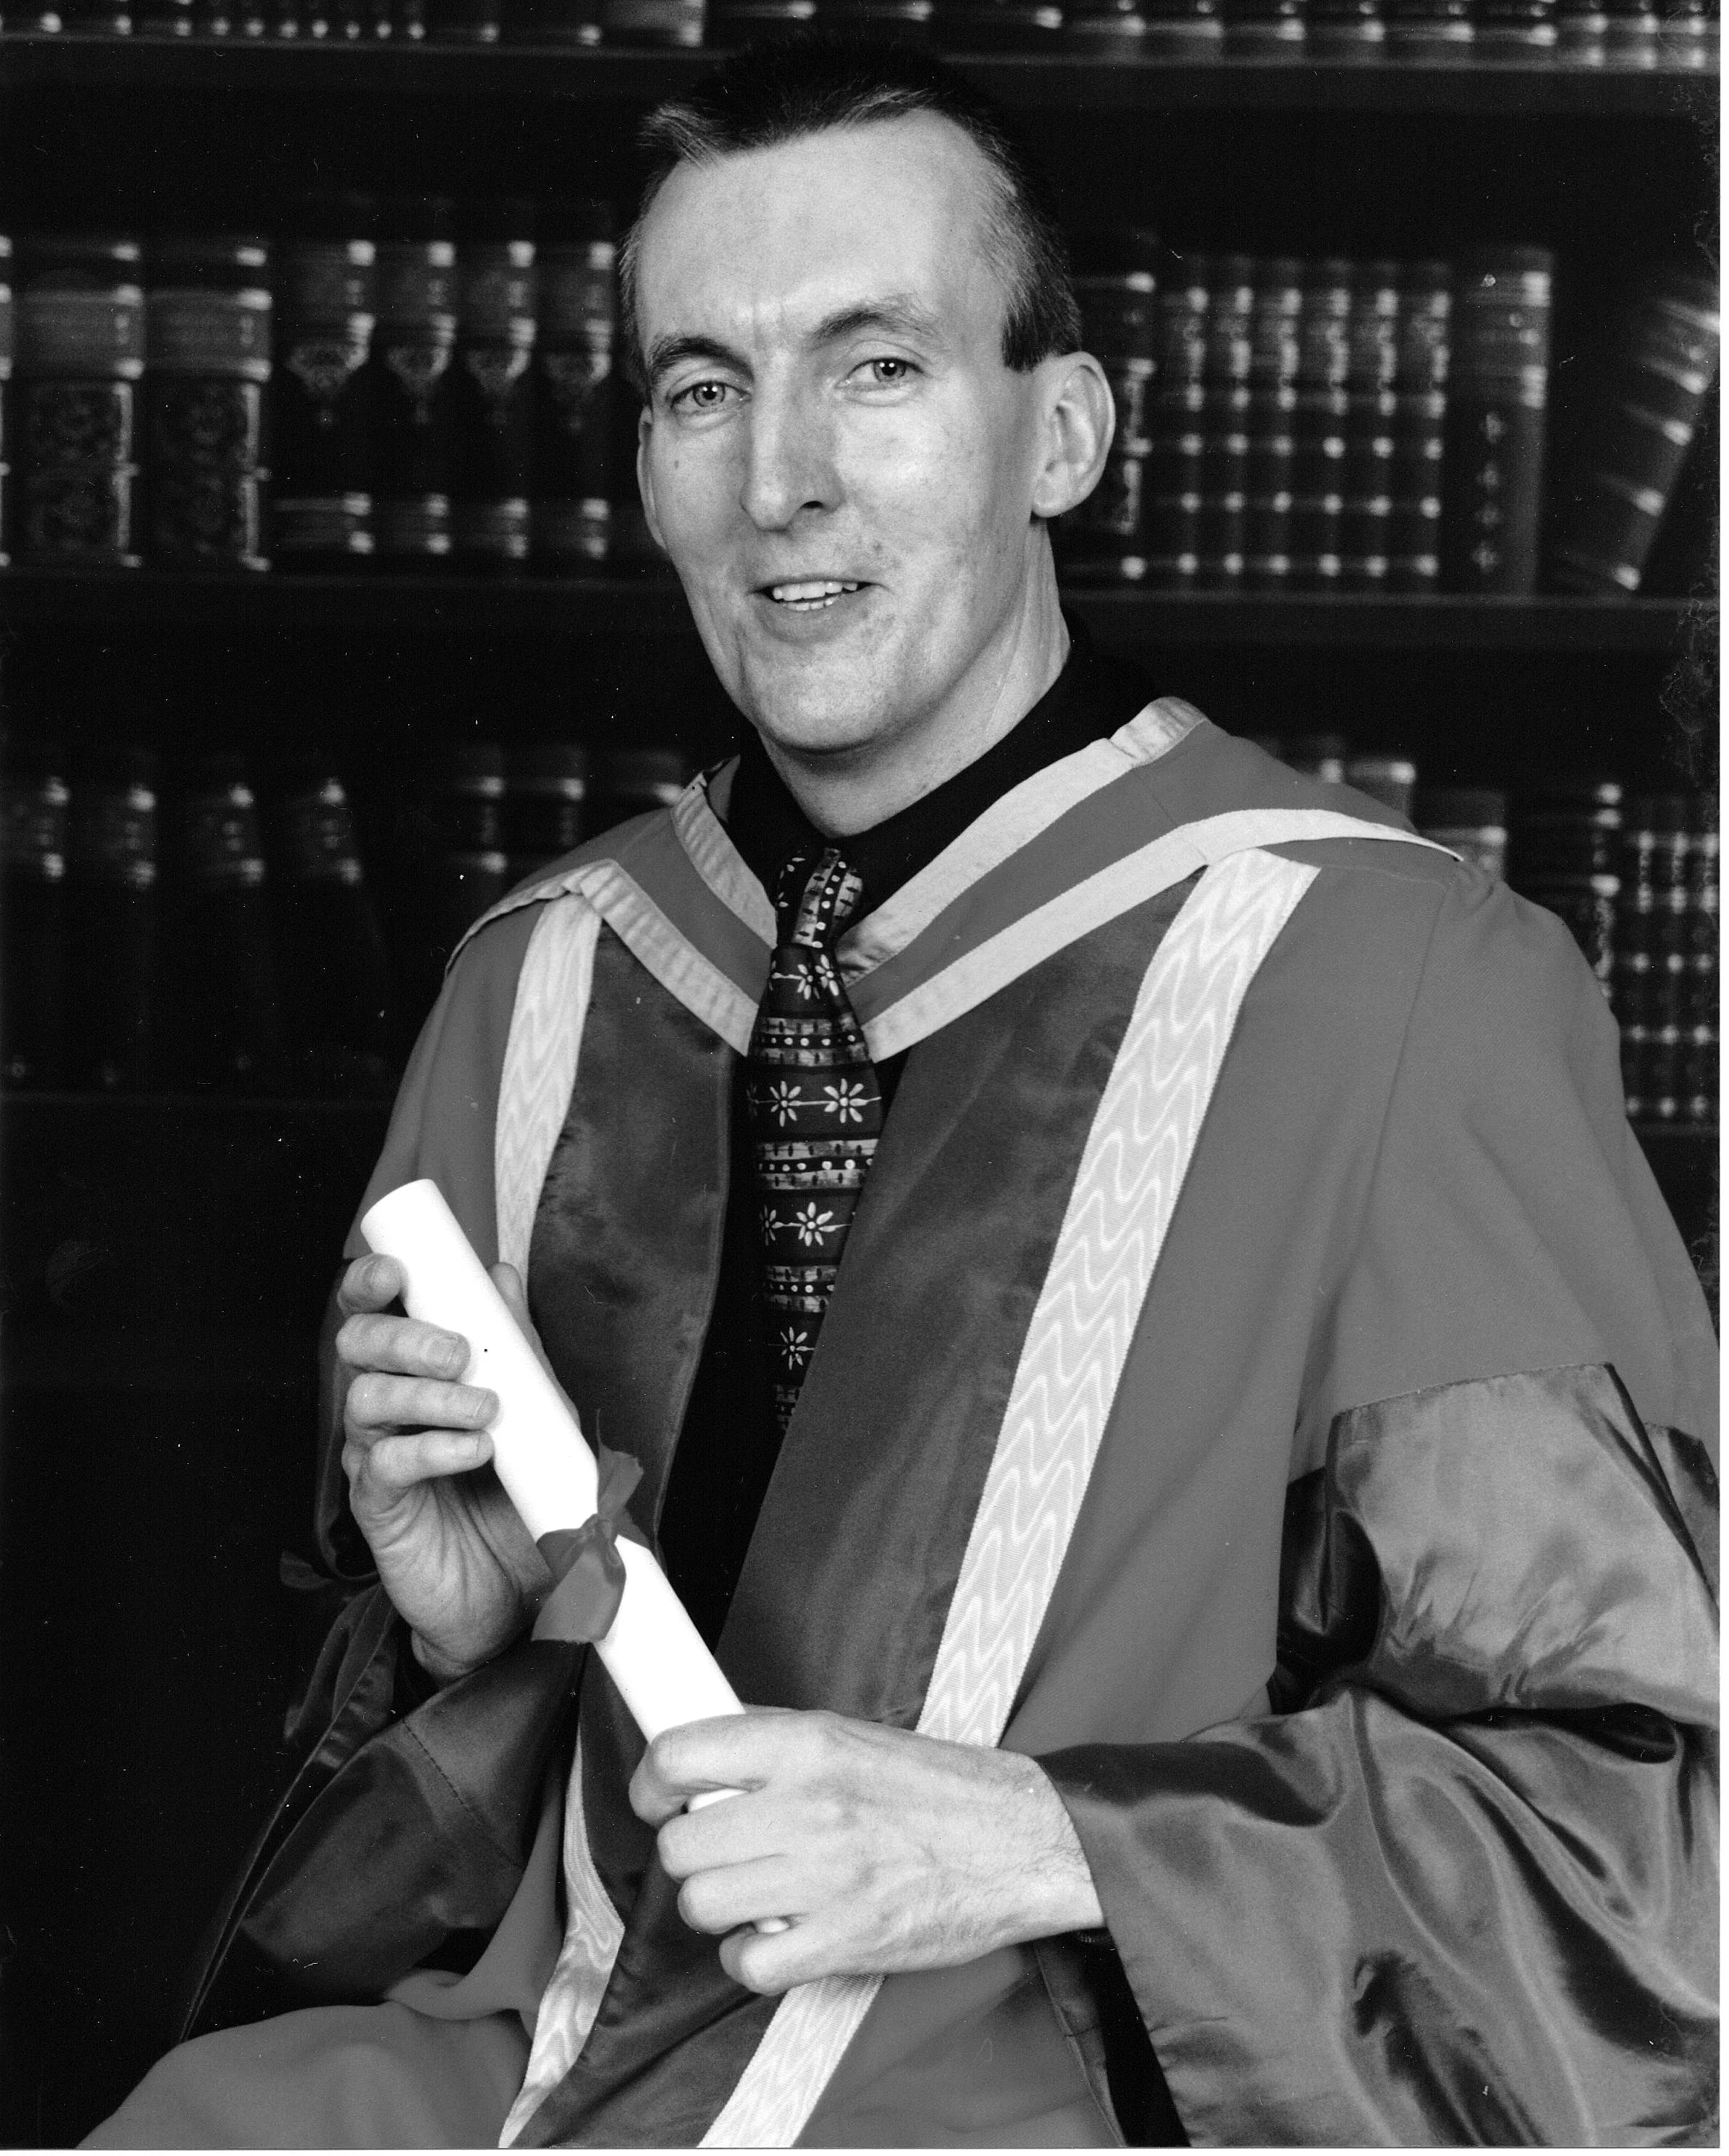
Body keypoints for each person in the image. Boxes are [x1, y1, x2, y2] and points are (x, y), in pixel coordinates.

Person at [91, 39, 1717, 2151]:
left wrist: (1044, 1842)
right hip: (552, 2069)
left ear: (1060, 432)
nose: (778, 482)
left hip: (1081, 2092)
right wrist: (459, 1638)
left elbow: (1648, 1827)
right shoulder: (546, 982)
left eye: (874, 369)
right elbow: (505, 1831)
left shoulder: (1394, 988)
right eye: (700, 387)